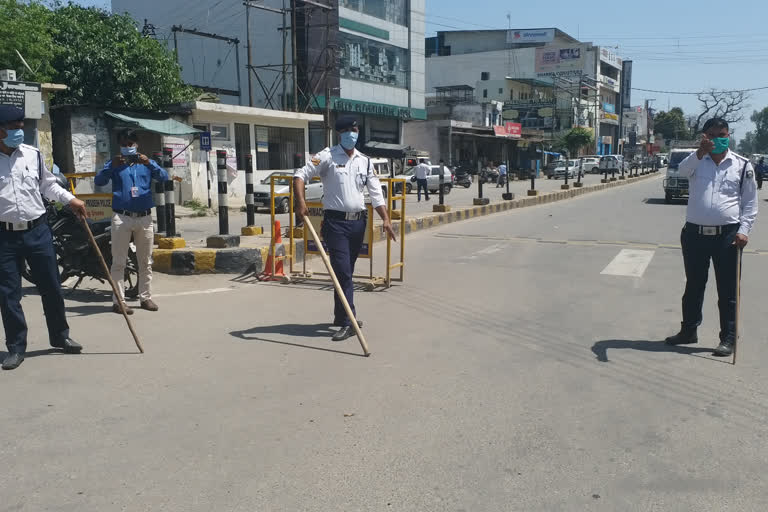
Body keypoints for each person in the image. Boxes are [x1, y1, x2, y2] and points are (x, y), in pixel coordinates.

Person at [0, 105, 87, 370]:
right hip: (4, 237)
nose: (19, 132)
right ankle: (16, 347)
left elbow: (48, 185)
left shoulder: (32, 155)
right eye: (12, 128)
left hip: (38, 230)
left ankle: (60, 336)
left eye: (20, 127)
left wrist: (71, 199)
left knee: (51, 286)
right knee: (8, 295)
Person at [294, 116, 397, 341]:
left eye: (355, 129)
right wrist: (300, 202)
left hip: (358, 223)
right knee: (342, 272)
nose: (353, 133)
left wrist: (386, 219)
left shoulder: (365, 161)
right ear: (339, 134)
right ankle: (350, 322)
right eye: (348, 130)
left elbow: (376, 193)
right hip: (336, 224)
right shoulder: (326, 156)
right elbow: (300, 175)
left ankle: (341, 316)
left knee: (345, 273)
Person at [664, 118, 758, 357]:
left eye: (723, 134)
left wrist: (744, 230)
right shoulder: (696, 161)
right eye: (713, 135)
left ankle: (728, 338)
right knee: (694, 285)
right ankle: (689, 331)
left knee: (727, 290)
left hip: (727, 235)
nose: (718, 139)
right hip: (695, 234)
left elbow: (749, 203)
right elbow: (681, 171)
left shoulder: (742, 165)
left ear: (729, 135)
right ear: (704, 137)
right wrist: (699, 152)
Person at [95, 129, 169, 314]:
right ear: (120, 145)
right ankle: (119, 301)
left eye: (131, 144)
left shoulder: (146, 163)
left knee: (145, 261)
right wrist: (111, 166)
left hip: (144, 217)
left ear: (137, 145)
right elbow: (99, 180)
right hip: (122, 217)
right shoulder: (115, 164)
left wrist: (149, 163)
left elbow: (164, 177)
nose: (128, 147)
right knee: (119, 261)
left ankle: (146, 298)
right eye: (124, 144)